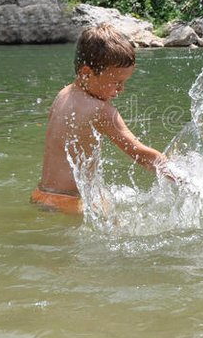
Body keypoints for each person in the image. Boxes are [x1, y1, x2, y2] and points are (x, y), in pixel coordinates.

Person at [31, 23, 168, 214]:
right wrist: (180, 174)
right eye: (116, 82)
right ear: (86, 73)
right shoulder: (101, 110)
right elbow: (139, 153)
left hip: (42, 195)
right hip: (70, 204)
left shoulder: (63, 95)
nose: (121, 89)